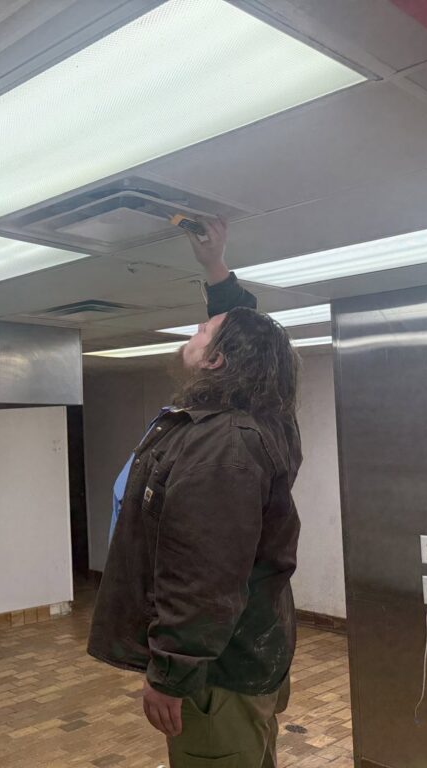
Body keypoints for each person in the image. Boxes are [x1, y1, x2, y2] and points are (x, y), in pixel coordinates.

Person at [88, 218, 303, 768]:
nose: (196, 331)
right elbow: (248, 335)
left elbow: (203, 576)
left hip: (218, 674)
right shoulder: (262, 418)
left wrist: (171, 674)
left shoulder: (222, 446)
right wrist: (215, 267)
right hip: (248, 652)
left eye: (205, 332)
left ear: (218, 361)